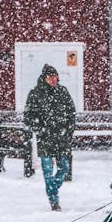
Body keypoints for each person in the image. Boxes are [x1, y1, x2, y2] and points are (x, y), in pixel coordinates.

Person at [24, 64, 76, 211]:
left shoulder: (63, 92)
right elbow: (28, 116)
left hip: (62, 137)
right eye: (50, 77)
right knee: (47, 171)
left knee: (64, 168)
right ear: (44, 78)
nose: (54, 80)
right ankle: (54, 201)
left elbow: (71, 112)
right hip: (45, 138)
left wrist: (69, 129)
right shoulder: (35, 94)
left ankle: (53, 187)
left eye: (55, 77)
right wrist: (40, 129)